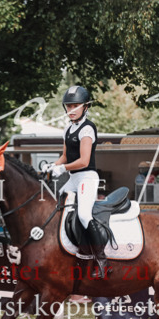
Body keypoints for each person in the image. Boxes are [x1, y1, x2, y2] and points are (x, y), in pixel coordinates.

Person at [50, 84, 110, 278]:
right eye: (68, 106)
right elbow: (65, 156)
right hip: (73, 178)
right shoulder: (68, 128)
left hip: (87, 177)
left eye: (75, 106)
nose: (71, 110)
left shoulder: (88, 129)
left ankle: (101, 258)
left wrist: (63, 168)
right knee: (54, 205)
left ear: (85, 106)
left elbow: (84, 160)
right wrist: (53, 165)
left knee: (84, 215)